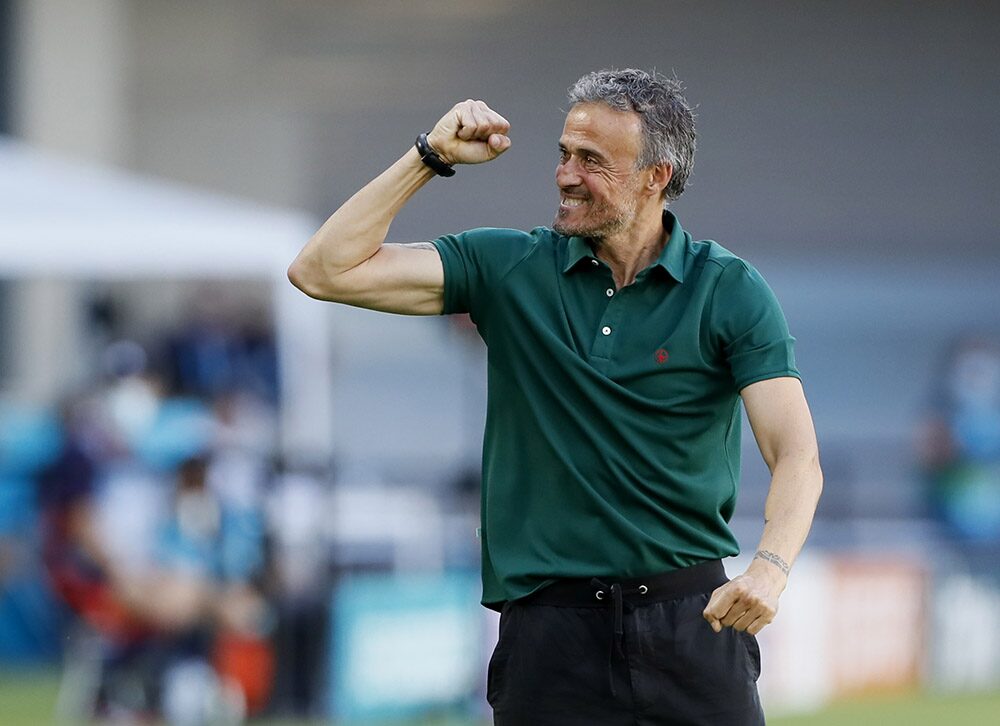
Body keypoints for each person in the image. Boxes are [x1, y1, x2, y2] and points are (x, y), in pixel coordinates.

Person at [288, 68, 823, 725]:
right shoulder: (508, 268)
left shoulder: (728, 289)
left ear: (656, 176)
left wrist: (770, 567)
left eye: (592, 160)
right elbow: (322, 269)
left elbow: (796, 454)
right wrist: (429, 156)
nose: (567, 175)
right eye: (565, 153)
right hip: (549, 639)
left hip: (694, 626)